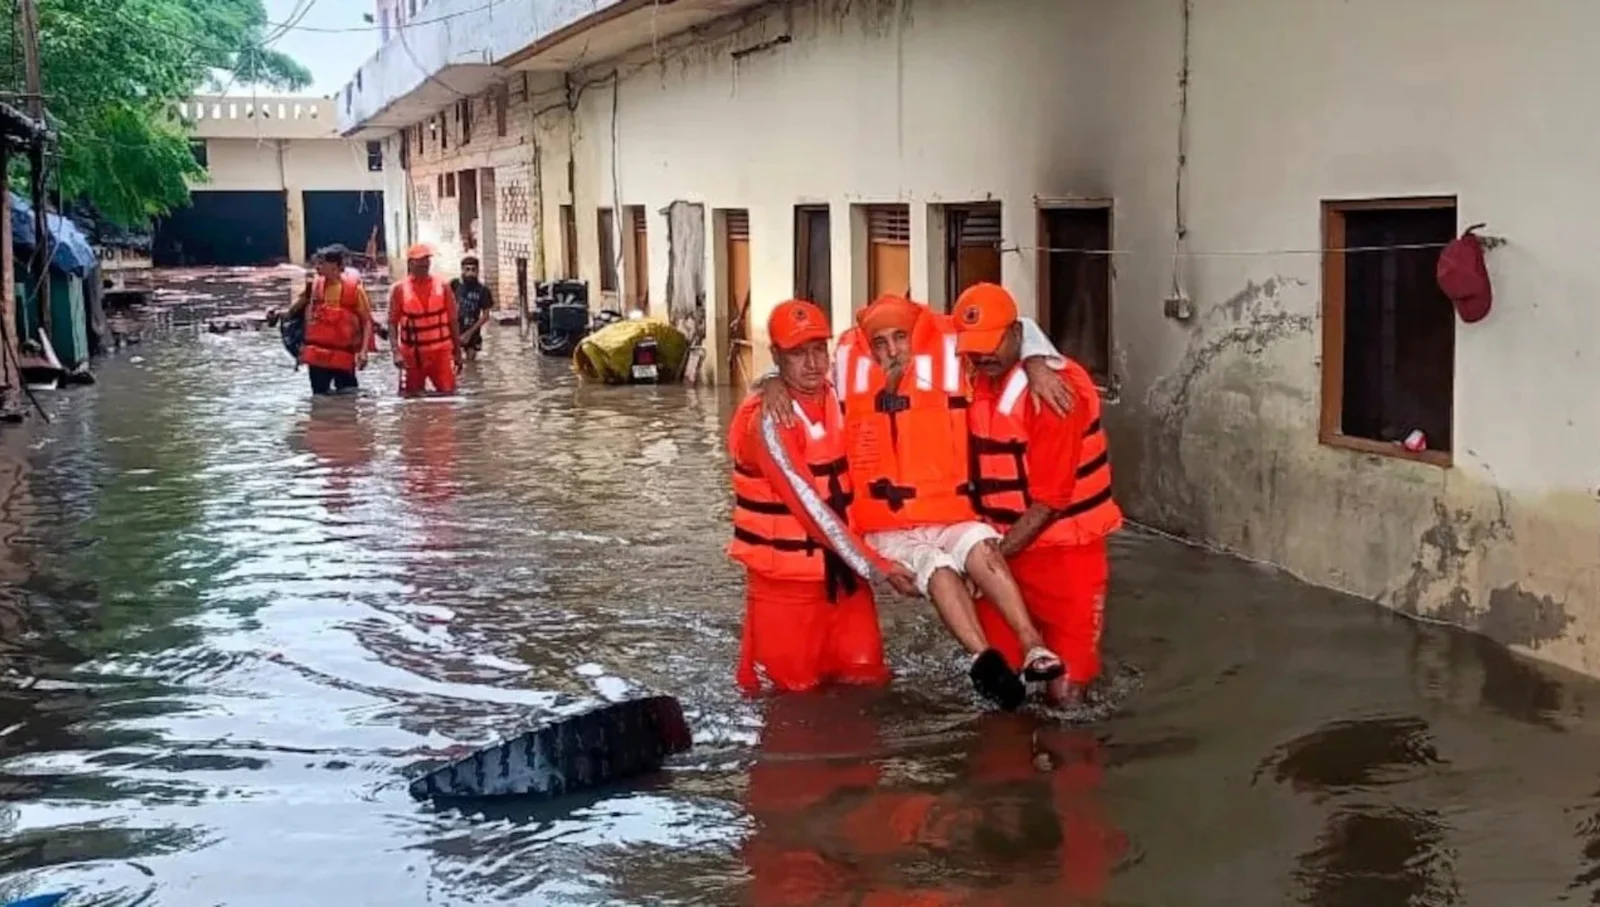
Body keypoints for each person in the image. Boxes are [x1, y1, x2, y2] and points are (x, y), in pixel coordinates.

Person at [761, 296, 1073, 710]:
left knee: (983, 545)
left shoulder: (951, 351)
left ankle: (1035, 647)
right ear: (866, 344)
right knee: (937, 568)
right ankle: (983, 661)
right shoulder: (843, 369)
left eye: (899, 338)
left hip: (949, 512)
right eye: (880, 342)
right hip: (885, 526)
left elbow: (1016, 329)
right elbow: (799, 366)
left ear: (917, 335)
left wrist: (1036, 361)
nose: (891, 351)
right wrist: (770, 381)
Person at [729, 299, 918, 693]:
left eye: (819, 350)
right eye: (799, 353)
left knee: (868, 681)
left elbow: (928, 330)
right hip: (787, 589)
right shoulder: (768, 420)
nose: (813, 364)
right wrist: (875, 566)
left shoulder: (840, 395)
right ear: (777, 355)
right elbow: (810, 508)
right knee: (792, 701)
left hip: (846, 581)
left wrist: (1038, 355)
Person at [952, 283, 1124, 706]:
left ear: (1015, 334)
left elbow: (1050, 502)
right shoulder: (974, 370)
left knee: (1066, 695)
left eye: (991, 345)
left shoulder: (1055, 394)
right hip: (1002, 553)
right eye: (972, 348)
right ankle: (1006, 769)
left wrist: (987, 564)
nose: (981, 357)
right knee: (1000, 690)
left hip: (1067, 557)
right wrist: (772, 378)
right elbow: (887, 330)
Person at [283, 245, 373, 395]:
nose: (317, 267)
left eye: (322, 263)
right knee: (319, 399)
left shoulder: (355, 290)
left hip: (343, 354)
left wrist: (363, 352)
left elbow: (366, 321)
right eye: (317, 263)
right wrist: (278, 316)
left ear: (335, 266)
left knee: (348, 396)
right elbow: (293, 311)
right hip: (317, 356)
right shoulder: (313, 287)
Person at [388, 244, 463, 396]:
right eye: (420, 260)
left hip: (440, 351)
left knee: (448, 395)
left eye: (427, 259)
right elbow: (392, 323)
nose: (424, 263)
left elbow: (453, 321)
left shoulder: (443, 286)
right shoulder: (399, 289)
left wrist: (458, 352)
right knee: (411, 397)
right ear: (410, 263)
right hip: (412, 354)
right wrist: (396, 352)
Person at [449, 255, 493, 362]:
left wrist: (469, 333)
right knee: (453, 362)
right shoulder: (454, 285)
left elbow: (486, 316)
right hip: (455, 329)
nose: (470, 273)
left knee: (471, 364)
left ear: (478, 271)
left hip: (473, 332)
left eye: (473, 269)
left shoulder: (483, 290)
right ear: (462, 270)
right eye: (467, 269)